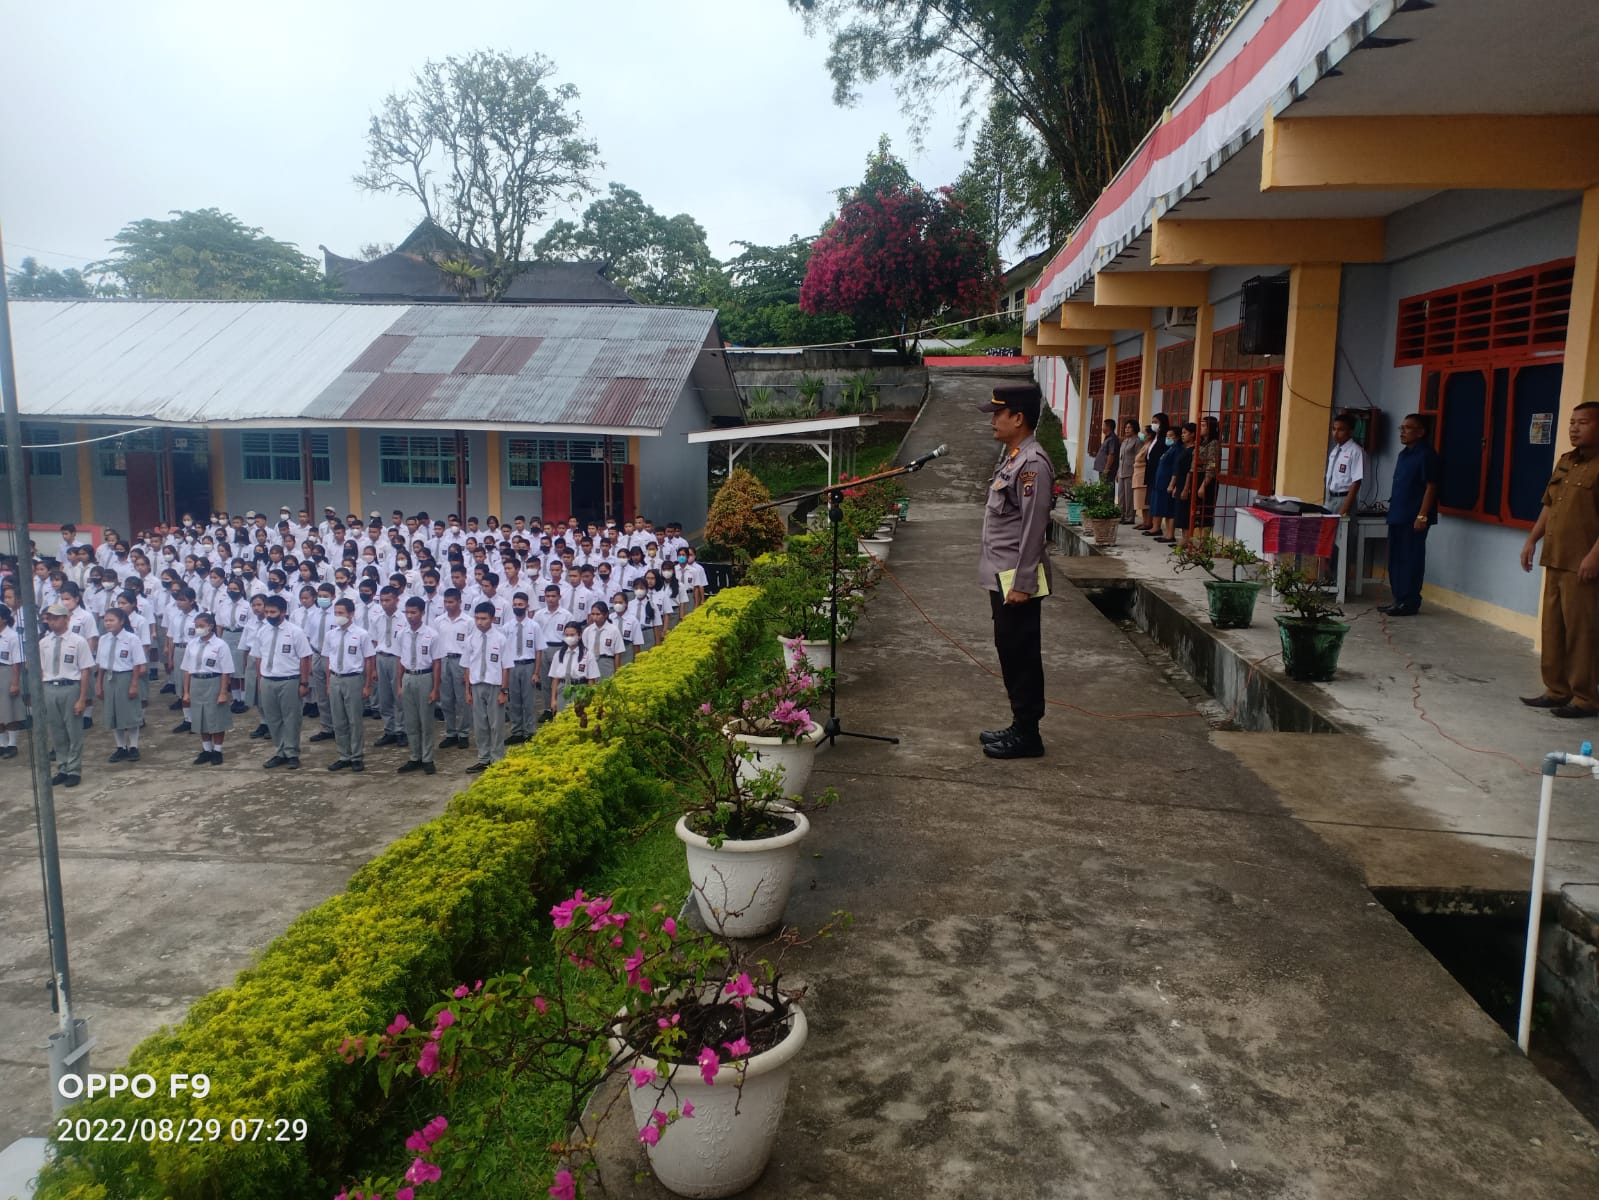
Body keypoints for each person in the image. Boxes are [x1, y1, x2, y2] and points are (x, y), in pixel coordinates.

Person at [975, 383, 1054, 760]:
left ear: (1018, 418)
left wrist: (1023, 583)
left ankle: (1028, 734)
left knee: (1021, 652)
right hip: (1002, 577)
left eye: (998, 413)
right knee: (1009, 649)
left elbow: (1033, 529)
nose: (992, 420)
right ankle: (1019, 724)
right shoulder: (1013, 458)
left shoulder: (1032, 464)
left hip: (1015, 582)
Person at [1520, 401, 1599, 718]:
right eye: (1571, 422)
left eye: (1583, 422)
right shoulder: (1567, 461)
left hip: (1584, 564)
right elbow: (1550, 505)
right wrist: (1531, 539)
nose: (1574, 428)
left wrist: (1594, 556)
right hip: (1556, 558)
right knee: (1553, 627)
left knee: (1582, 632)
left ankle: (1585, 697)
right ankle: (1556, 689)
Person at [1382, 414, 1442, 617]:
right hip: (1398, 513)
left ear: (1421, 432)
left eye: (1408, 428)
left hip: (1414, 517)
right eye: (1402, 427)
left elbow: (1431, 486)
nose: (1403, 431)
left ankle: (1410, 601)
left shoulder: (1426, 455)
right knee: (1395, 559)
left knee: (1411, 559)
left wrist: (1422, 516)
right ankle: (1397, 598)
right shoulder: (1404, 454)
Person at [257, 594, 313, 769]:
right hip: (268, 679)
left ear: (283, 612)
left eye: (273, 612)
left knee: (291, 719)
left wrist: (304, 683)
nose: (269, 615)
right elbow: (259, 656)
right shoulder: (262, 631)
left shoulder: (295, 632)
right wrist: (260, 679)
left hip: (289, 680)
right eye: (266, 612)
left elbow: (305, 657)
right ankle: (279, 751)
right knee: (273, 719)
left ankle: (292, 752)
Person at [39, 602, 92, 787]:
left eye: (56, 618)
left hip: (70, 686)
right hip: (50, 687)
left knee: (73, 731)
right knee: (57, 730)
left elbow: (85, 671)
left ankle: (74, 769)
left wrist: (82, 698)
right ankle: (62, 767)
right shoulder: (44, 642)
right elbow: (41, 669)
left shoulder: (78, 641)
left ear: (66, 619)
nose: (52, 622)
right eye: (49, 619)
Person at [325, 598, 376, 772]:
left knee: (354, 720)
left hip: (353, 678)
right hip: (335, 678)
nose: (338, 616)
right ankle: (343, 755)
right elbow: (328, 660)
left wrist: (367, 685)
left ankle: (356, 755)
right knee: (338, 720)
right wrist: (328, 682)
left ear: (351, 614)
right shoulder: (331, 634)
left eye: (341, 613)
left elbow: (369, 660)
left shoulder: (361, 634)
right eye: (336, 613)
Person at [462, 601, 509, 774]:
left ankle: (497, 759)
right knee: (480, 724)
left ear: (493, 619)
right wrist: (467, 691)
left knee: (496, 725)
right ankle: (484, 758)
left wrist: (504, 690)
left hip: (494, 686)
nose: (479, 622)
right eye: (477, 618)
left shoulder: (501, 639)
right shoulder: (470, 639)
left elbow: (506, 667)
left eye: (484, 618)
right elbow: (467, 666)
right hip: (476, 685)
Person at [181, 613, 234, 765]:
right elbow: (187, 669)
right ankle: (206, 749)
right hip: (196, 682)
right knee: (200, 717)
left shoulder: (220, 645)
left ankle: (217, 750)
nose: (198, 629)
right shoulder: (192, 644)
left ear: (210, 626)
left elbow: (226, 671)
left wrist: (223, 692)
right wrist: (186, 692)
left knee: (215, 717)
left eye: (201, 626)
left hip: (213, 681)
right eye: (196, 626)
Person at [395, 596, 440, 774]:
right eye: (407, 612)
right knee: (411, 721)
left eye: (414, 612)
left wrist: (435, 688)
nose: (410, 616)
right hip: (408, 677)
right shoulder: (402, 634)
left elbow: (437, 663)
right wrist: (399, 684)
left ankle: (427, 758)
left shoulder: (431, 635)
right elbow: (400, 660)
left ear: (422, 613)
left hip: (425, 677)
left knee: (426, 720)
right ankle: (415, 756)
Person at [1159, 423, 1196, 545]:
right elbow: (1177, 469)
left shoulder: (1193, 451)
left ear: (1193, 434)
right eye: (1183, 433)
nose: (1183, 435)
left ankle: (1187, 539)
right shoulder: (1184, 449)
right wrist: (1174, 485)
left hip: (1186, 483)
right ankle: (1184, 538)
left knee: (1185, 513)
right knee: (1179, 511)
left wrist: (1186, 488)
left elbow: (1189, 471)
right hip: (1179, 483)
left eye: (1185, 433)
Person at [1325, 414, 1365, 517]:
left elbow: (1356, 482)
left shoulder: (1355, 451)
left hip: (1344, 498)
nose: (1336, 433)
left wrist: (1343, 510)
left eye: (1341, 430)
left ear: (1350, 432)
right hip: (1330, 498)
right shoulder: (1335, 451)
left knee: (1344, 531)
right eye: (1334, 429)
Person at [0, 603, 25, 759]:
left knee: (9, 710)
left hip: (6, 671)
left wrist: (15, 683)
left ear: (3, 619)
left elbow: (16, 661)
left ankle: (12, 744)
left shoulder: (12, 636)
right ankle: (2, 744)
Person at [1141, 413, 1172, 535]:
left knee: (1158, 500)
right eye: (1152, 421)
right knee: (1152, 500)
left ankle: (1157, 526)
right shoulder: (1155, 437)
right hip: (1151, 471)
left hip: (1159, 473)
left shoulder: (1165, 438)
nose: (1153, 424)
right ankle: (1153, 524)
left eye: (1156, 422)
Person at [1194, 415, 1221, 531]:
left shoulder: (1213, 443)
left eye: (1204, 425)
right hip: (1198, 475)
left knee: (1206, 512)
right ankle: (1195, 540)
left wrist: (1203, 485)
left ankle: (1203, 543)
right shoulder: (1201, 442)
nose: (1201, 428)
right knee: (1197, 512)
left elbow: (1212, 464)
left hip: (1207, 479)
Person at [1115, 419, 1139, 523]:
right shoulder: (1124, 441)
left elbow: (1138, 457)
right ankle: (1121, 515)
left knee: (1129, 496)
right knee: (1121, 496)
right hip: (1121, 471)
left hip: (1131, 472)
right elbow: (1120, 458)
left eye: (1129, 427)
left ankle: (1130, 517)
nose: (1127, 429)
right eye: (1126, 427)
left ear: (1134, 428)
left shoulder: (1137, 441)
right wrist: (1117, 472)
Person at [1131, 423, 1152, 531]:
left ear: (1149, 435)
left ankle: (1148, 522)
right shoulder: (1144, 444)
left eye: (1144, 433)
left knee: (1145, 502)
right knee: (1140, 502)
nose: (1141, 434)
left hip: (1142, 474)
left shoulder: (1149, 446)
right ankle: (1145, 521)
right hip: (1138, 473)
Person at [1092, 418, 1119, 483]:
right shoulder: (1108, 438)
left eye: (1103, 425)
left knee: (1107, 490)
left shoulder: (1112, 439)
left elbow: (1111, 455)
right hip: (1103, 470)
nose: (1102, 427)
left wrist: (1106, 469)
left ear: (1108, 427)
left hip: (1107, 471)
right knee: (1103, 489)